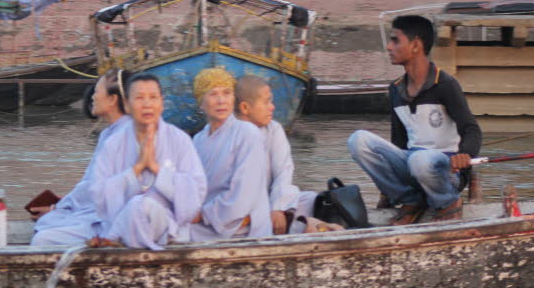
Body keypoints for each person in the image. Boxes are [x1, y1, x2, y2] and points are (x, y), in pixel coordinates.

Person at [348, 15, 481, 225]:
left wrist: (465, 154)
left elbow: (471, 129)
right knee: (358, 140)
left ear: (416, 45)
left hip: (445, 171)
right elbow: (399, 143)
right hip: (411, 166)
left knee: (421, 160)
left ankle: (447, 203)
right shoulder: (395, 89)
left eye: (395, 40)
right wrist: (386, 193)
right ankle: (410, 201)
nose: (389, 46)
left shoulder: (445, 84)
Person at [89, 73, 207, 250]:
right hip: (122, 223)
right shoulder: (113, 144)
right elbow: (98, 194)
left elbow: (196, 192)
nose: (147, 105)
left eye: (153, 97)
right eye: (139, 98)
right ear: (127, 105)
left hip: (167, 225)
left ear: (161, 103)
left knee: (141, 206)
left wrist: (156, 169)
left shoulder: (179, 140)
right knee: (136, 207)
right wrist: (135, 170)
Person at [31, 69, 133, 246]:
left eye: (96, 91)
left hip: (114, 218)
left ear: (112, 99)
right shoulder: (108, 133)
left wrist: (59, 206)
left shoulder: (125, 134)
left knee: (44, 238)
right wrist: (64, 203)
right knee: (47, 222)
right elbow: (90, 183)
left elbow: (97, 187)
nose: (92, 97)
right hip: (98, 207)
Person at [234, 74, 341, 234]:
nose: (272, 107)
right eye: (266, 102)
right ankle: (302, 225)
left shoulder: (273, 129)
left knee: (311, 199)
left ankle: (295, 221)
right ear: (245, 108)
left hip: (272, 201)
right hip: (242, 210)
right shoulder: (229, 135)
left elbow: (283, 172)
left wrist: (277, 207)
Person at [189, 68, 271, 241]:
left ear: (233, 99)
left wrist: (203, 215)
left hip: (241, 226)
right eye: (213, 94)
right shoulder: (198, 140)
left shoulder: (247, 133)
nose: (221, 100)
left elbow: (243, 195)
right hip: (208, 221)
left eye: (227, 93)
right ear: (201, 102)